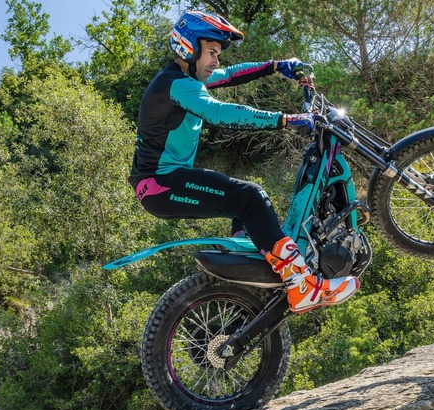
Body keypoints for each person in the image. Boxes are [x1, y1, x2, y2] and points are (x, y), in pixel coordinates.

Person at [128, 10, 359, 313]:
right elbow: (220, 114)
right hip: (160, 184)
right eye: (211, 52)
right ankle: (302, 285)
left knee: (245, 206)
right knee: (250, 197)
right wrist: (287, 119)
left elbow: (232, 74)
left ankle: (253, 277)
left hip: (164, 181)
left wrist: (278, 66)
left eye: (218, 53)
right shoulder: (176, 85)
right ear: (189, 48)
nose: (216, 61)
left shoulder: (186, 78)